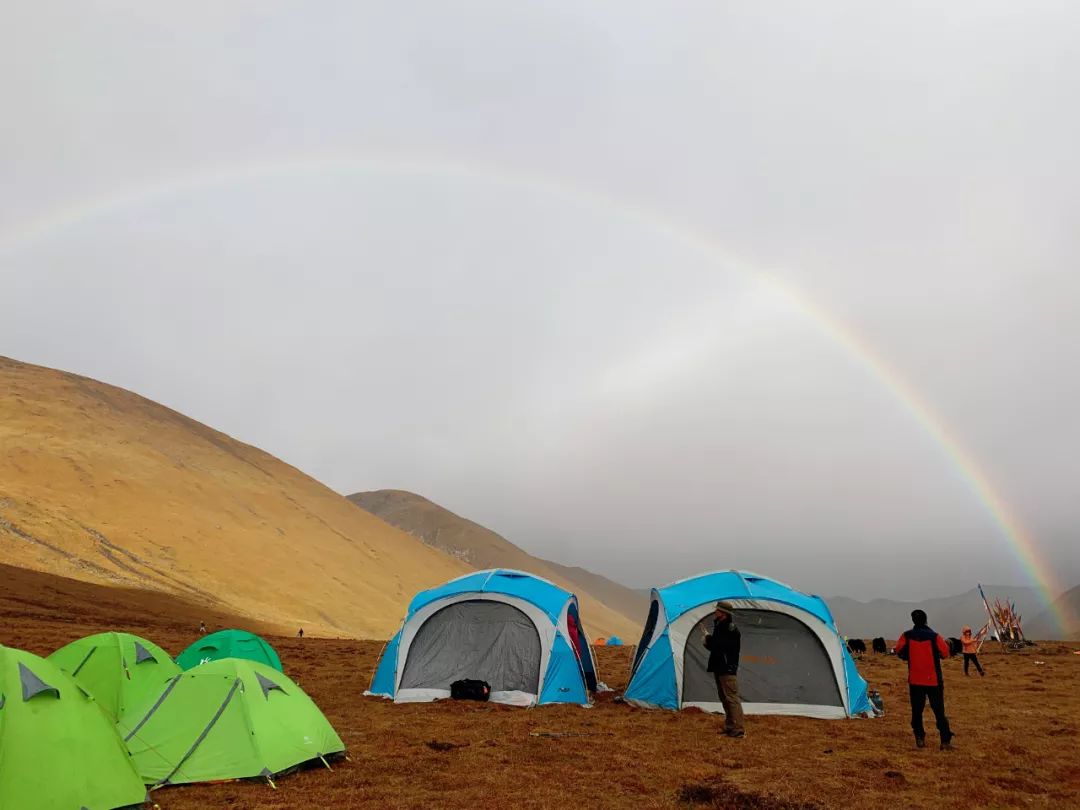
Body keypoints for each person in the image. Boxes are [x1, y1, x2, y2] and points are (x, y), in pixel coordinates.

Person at [895, 609, 954, 750]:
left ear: (913, 620)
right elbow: (945, 653)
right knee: (939, 711)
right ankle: (945, 741)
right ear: (926, 619)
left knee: (917, 711)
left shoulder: (906, 635)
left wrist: (908, 656)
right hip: (933, 680)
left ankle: (919, 737)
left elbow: (898, 650)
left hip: (915, 680)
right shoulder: (934, 636)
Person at [703, 601, 744, 738]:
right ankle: (730, 725)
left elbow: (722, 647)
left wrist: (709, 639)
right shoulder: (720, 626)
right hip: (719, 667)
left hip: (727, 668)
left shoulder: (730, 629)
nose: (715, 612)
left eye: (717, 610)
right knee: (724, 697)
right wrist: (708, 642)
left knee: (731, 698)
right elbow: (716, 648)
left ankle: (738, 729)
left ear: (723, 613)